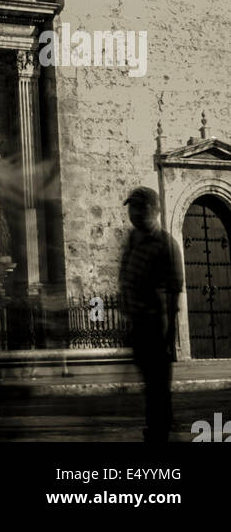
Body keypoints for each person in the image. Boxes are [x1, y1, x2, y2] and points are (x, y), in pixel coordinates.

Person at [119, 185, 183, 444]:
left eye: (138, 208)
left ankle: (159, 430)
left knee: (157, 382)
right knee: (150, 380)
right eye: (131, 208)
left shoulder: (166, 244)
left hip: (156, 323)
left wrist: (170, 331)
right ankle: (158, 423)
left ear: (153, 211)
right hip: (138, 322)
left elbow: (174, 288)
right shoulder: (134, 238)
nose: (133, 213)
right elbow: (125, 273)